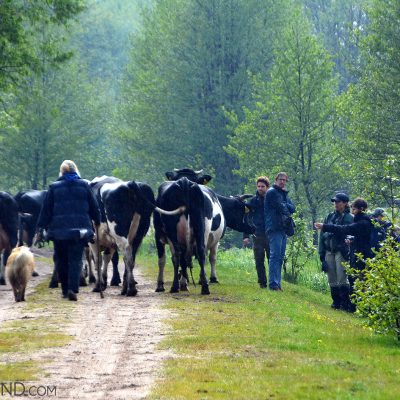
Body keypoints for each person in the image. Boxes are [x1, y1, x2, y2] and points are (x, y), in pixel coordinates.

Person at [37, 160, 101, 301]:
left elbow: (46, 210)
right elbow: (94, 206)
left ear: (62, 172)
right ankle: (73, 288)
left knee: (61, 260)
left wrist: (41, 227)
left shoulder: (54, 187)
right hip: (80, 231)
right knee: (75, 260)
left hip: (59, 231)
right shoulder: (84, 185)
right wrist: (97, 220)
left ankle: (65, 290)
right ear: (76, 171)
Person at [315, 198, 374, 312]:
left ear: (361, 209)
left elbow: (346, 229)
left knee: (356, 280)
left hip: (361, 255)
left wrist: (325, 226)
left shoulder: (362, 222)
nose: (353, 210)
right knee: (351, 279)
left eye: (355, 208)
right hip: (354, 253)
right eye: (352, 208)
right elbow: (356, 234)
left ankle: (351, 307)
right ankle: (342, 305)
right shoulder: (354, 219)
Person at [318, 193, 353, 310]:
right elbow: (322, 236)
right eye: (335, 202)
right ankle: (336, 302)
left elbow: (349, 233)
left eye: (338, 202)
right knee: (331, 278)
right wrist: (321, 255)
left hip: (341, 251)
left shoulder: (349, 218)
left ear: (345, 203)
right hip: (329, 250)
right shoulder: (329, 216)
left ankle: (345, 303)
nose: (336, 204)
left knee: (342, 277)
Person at [264, 172, 295, 291]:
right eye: (280, 179)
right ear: (276, 179)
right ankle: (273, 284)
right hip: (274, 227)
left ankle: (277, 283)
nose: (282, 182)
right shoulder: (272, 192)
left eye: (284, 180)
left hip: (282, 228)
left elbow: (293, 208)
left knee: (280, 257)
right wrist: (286, 205)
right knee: (275, 256)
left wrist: (285, 204)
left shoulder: (283, 194)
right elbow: (282, 207)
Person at [243, 176, 270, 288]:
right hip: (257, 234)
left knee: (272, 260)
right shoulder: (253, 201)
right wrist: (246, 235)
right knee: (259, 260)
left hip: (270, 234)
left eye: (262, 186)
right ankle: (262, 283)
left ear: (267, 187)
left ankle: (274, 282)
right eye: (258, 186)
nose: (260, 188)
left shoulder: (271, 199)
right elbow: (246, 218)